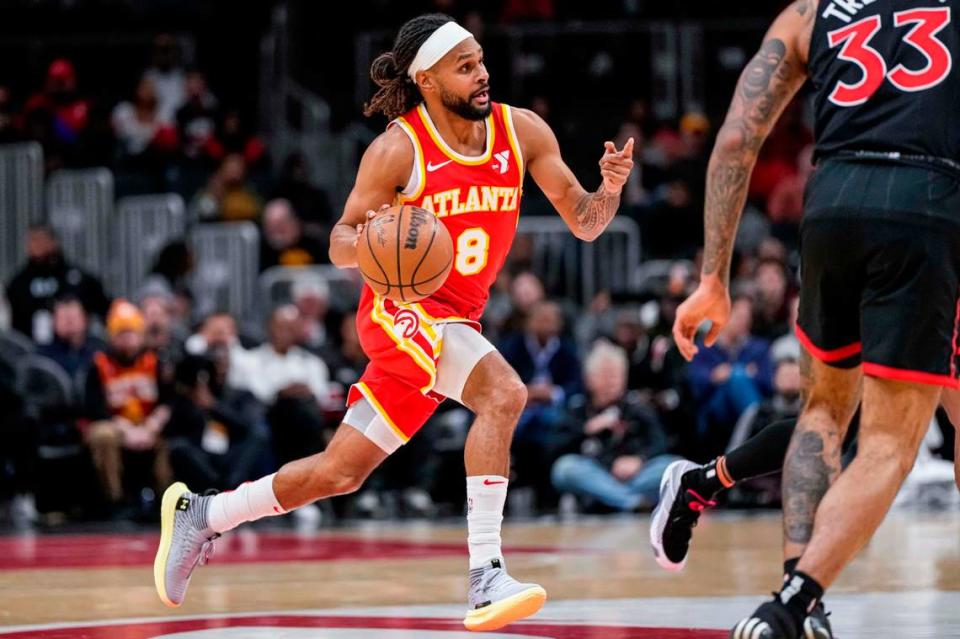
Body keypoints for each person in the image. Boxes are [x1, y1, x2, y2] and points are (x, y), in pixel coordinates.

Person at [154, 13, 634, 633]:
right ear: (428, 80)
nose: (483, 74)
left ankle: (205, 514)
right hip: (397, 310)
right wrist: (377, 239)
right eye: (465, 67)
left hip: (457, 322)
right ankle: (486, 573)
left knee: (339, 472)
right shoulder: (398, 149)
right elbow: (337, 242)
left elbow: (586, 221)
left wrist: (611, 189)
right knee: (505, 391)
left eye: (481, 60)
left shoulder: (523, 132)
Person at [667, 1, 960, 637]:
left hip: (833, 203)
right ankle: (792, 605)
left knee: (825, 412)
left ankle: (798, 599)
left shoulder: (809, 11)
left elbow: (738, 139)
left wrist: (712, 279)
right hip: (926, 205)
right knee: (887, 442)